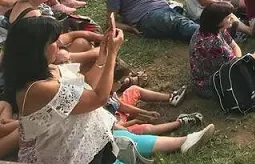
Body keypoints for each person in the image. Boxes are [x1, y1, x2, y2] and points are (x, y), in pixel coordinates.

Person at [2, 16, 217, 164]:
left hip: (92, 141)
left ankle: (179, 142)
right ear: (35, 49)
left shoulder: (48, 69)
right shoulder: (37, 88)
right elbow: (98, 97)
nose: (59, 45)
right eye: (53, 42)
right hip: (71, 156)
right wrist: (113, 54)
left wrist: (103, 55)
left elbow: (85, 85)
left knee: (119, 142)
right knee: (121, 143)